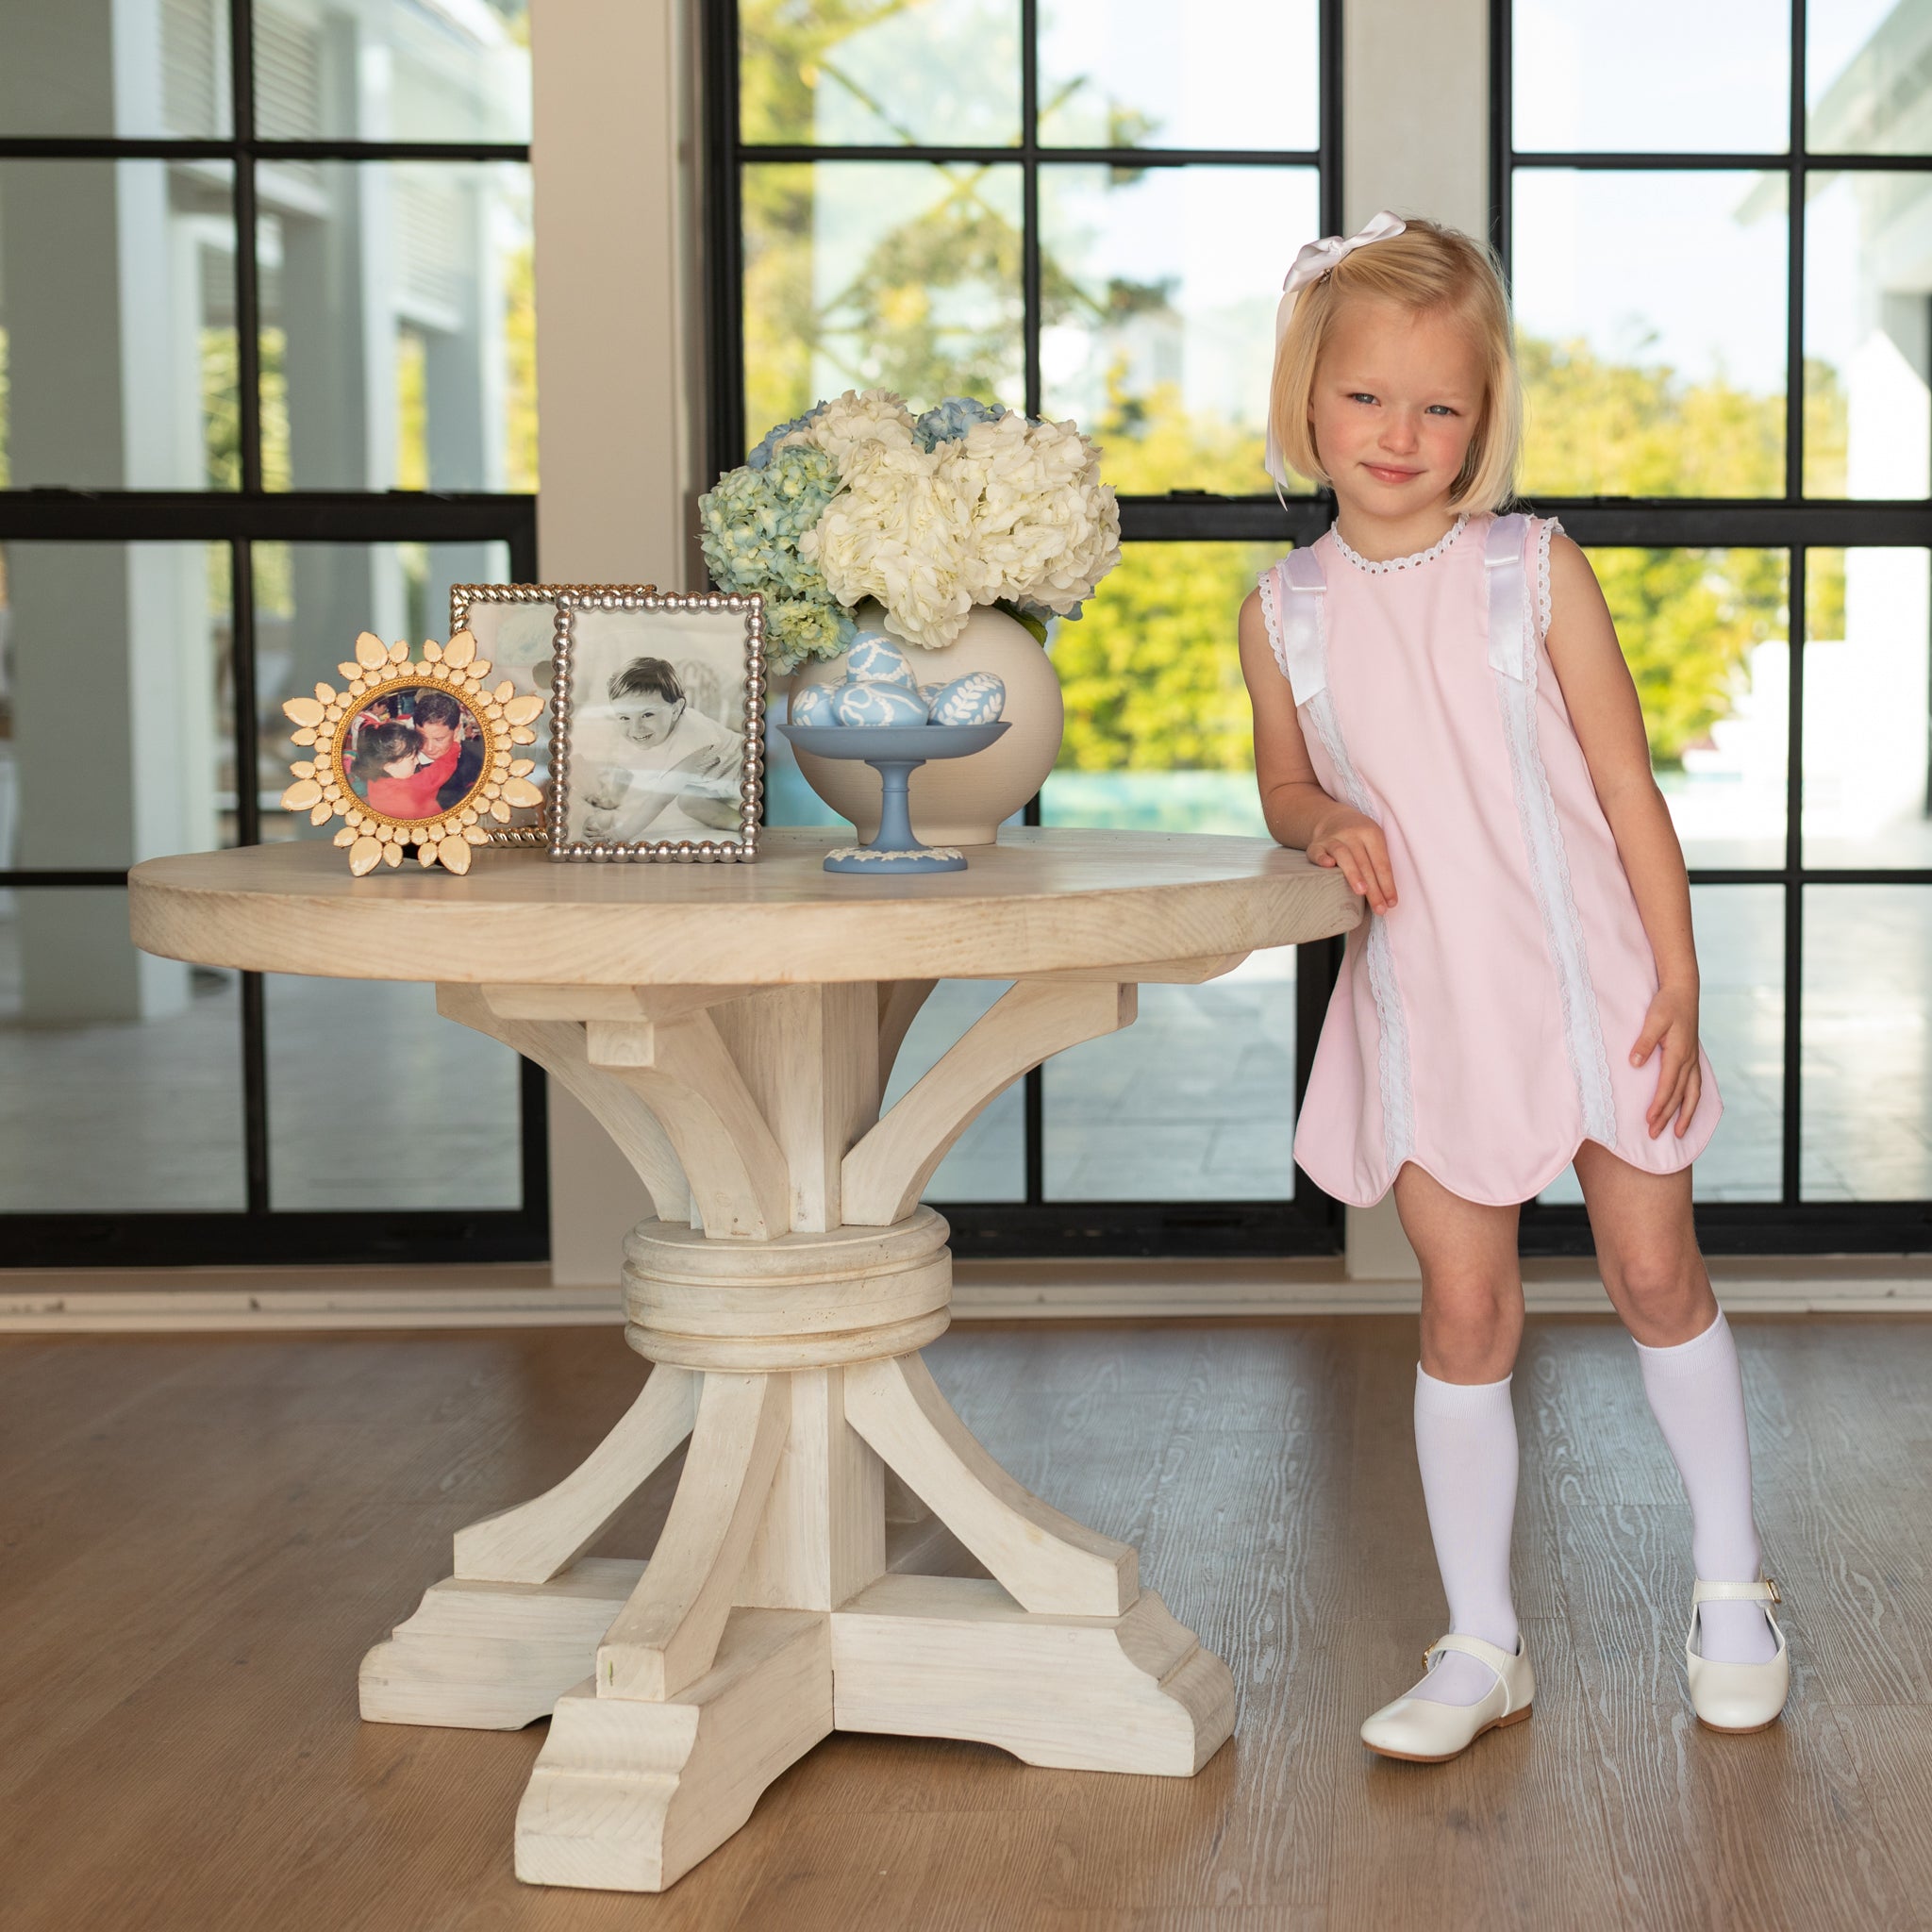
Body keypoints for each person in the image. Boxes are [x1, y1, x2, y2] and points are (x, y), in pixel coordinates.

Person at [1238, 212, 1789, 1764]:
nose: (1398, 435)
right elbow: (1284, 784)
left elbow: (1628, 797)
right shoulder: (1278, 612)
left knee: (1649, 1278)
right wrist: (1320, 819)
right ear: (1307, 399)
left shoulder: (1527, 571)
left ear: (1482, 419)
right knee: (1463, 1308)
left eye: (1438, 405)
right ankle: (1480, 1637)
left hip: (1590, 984)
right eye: (1363, 397)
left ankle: (1729, 1582)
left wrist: (1674, 983)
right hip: (1428, 1006)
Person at [574, 656, 744, 842]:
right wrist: (612, 798)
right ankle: (738, 821)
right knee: (689, 802)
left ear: (676, 709)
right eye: (624, 717)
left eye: (647, 714)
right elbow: (625, 764)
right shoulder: (644, 730)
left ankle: (749, 822)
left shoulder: (691, 736)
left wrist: (619, 834)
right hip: (717, 784)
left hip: (746, 775)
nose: (635, 728)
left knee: (686, 797)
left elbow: (660, 799)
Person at [352, 719, 458, 821]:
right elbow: (438, 772)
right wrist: (455, 746)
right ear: (389, 766)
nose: (417, 761)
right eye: (412, 759)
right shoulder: (409, 790)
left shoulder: (375, 780)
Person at [409, 689, 484, 811]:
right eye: (421, 737)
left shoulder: (481, 757)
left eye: (439, 739)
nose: (429, 748)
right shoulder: (400, 765)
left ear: (456, 730)